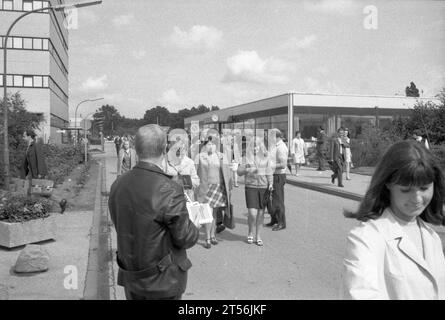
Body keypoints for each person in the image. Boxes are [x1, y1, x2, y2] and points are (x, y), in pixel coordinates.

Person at [342, 140, 445, 299]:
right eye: (406, 190)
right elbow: (358, 293)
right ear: (388, 184)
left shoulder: (432, 237)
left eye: (424, 188)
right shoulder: (366, 238)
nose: (417, 198)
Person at [108, 124, 199, 300]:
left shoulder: (118, 184)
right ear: (165, 149)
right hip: (162, 282)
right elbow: (186, 238)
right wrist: (194, 221)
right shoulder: (169, 189)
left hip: (132, 277)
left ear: (136, 148)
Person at [195, 136, 233, 249]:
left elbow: (227, 173)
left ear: (216, 145)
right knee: (208, 213)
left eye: (212, 144)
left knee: (215, 213)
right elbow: (195, 171)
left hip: (219, 187)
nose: (210, 146)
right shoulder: (200, 157)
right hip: (205, 187)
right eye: (208, 144)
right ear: (204, 146)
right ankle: (207, 238)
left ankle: (213, 235)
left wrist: (229, 187)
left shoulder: (221, 156)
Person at [237, 136, 273, 246]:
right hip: (251, 187)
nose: (255, 148)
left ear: (261, 146)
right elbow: (239, 172)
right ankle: (250, 232)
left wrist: (270, 183)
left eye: (257, 146)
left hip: (263, 187)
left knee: (261, 213)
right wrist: (248, 169)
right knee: (252, 213)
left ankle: (258, 235)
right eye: (253, 146)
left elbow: (269, 172)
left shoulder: (266, 158)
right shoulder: (246, 158)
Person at [265, 128, 288, 231]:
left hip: (278, 176)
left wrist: (271, 165)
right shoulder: (274, 146)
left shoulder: (281, 147)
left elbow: (283, 164)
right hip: (272, 174)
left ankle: (281, 222)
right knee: (271, 199)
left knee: (278, 200)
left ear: (277, 137)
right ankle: (274, 219)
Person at [20, 129, 48, 194]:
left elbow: (40, 159)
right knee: (29, 191)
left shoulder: (36, 145)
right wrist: (23, 175)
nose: (23, 138)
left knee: (37, 192)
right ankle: (31, 202)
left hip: (36, 174)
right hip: (30, 173)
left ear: (29, 136)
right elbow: (25, 162)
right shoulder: (29, 146)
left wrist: (40, 173)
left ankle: (37, 202)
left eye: (24, 136)